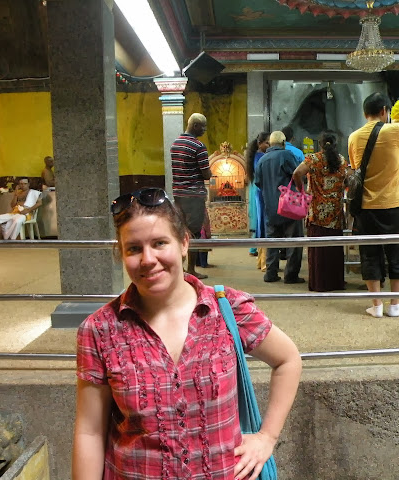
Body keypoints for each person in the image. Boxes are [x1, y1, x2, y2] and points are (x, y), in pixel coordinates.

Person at [73, 187, 302, 480]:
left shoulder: (227, 308)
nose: (148, 259)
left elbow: (287, 360)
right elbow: (90, 431)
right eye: (134, 249)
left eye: (159, 243)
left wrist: (267, 437)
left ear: (183, 243)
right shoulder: (100, 330)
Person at [347, 92, 399, 318]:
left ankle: (377, 305)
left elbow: (355, 167)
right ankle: (395, 305)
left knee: (369, 253)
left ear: (365, 113)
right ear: (384, 111)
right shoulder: (394, 130)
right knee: (398, 252)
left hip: (365, 207)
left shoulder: (353, 137)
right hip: (393, 204)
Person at [292, 130, 346, 292]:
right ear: (335, 144)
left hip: (316, 211)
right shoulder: (341, 160)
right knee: (334, 249)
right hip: (335, 212)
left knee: (318, 248)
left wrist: (302, 190)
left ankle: (319, 283)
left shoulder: (313, 159)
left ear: (320, 144)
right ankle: (335, 283)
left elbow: (297, 173)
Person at [254, 131, 305, 284]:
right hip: (289, 206)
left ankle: (271, 274)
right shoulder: (287, 155)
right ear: (283, 143)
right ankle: (291, 275)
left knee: (272, 242)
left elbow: (258, 183)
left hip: (270, 207)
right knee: (294, 241)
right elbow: (296, 174)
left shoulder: (262, 160)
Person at [171, 113, 211, 280]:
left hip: (178, 194)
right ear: (195, 126)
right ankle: (191, 270)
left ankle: (178, 268)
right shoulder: (198, 146)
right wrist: (209, 173)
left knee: (180, 231)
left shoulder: (175, 143)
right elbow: (206, 174)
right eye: (203, 127)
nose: (204, 130)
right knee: (194, 233)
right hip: (194, 196)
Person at [246, 132, 270, 267]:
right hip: (261, 192)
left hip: (258, 191)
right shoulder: (260, 157)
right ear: (260, 144)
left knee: (260, 223)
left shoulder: (256, 156)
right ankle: (264, 261)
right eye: (267, 143)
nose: (269, 145)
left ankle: (261, 259)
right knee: (263, 224)